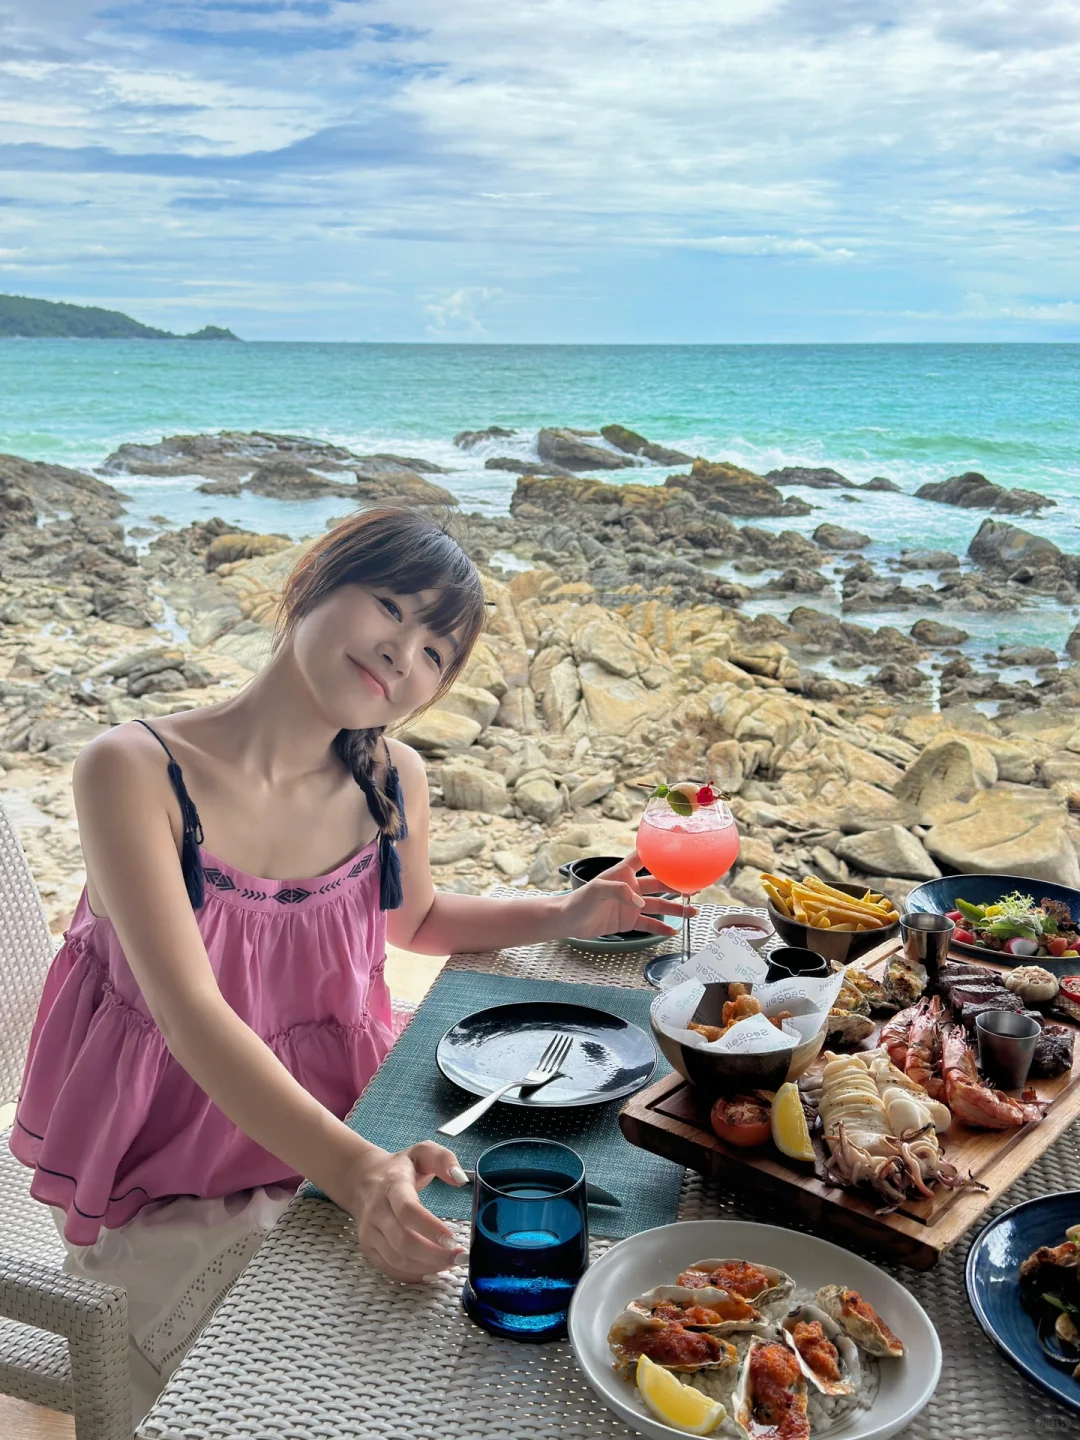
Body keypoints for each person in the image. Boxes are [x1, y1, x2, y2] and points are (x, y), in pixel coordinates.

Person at [10, 507, 688, 1422]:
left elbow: (417, 918)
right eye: (390, 608)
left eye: (437, 653)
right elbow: (189, 1015)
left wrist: (567, 911)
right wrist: (356, 1170)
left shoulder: (391, 774)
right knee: (308, 1364)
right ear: (310, 585)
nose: (404, 654)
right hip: (170, 1145)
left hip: (340, 1103)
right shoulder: (131, 768)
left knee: (496, 1293)